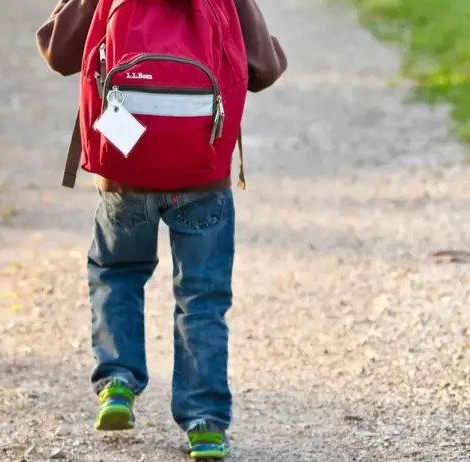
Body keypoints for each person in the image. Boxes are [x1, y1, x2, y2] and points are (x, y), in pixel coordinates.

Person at [36, 0, 286, 458]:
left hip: (125, 169)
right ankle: (205, 423)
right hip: (203, 175)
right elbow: (264, 70)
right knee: (202, 299)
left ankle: (116, 381)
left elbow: (58, 52)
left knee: (116, 272)